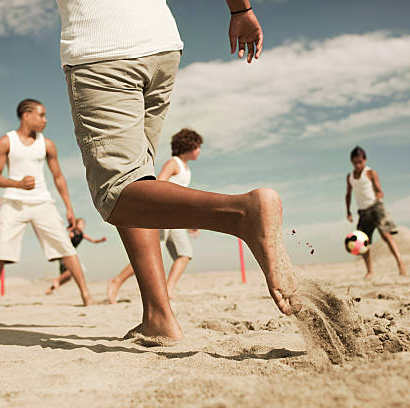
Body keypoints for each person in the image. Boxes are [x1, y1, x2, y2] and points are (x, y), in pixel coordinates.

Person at [56, 0, 301, 342]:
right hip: (161, 45)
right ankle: (158, 317)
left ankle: (241, 213)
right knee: (139, 180)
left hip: (102, 46)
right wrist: (240, 10)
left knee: (118, 192)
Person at [0, 98, 92, 310]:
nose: (45, 120)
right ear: (27, 115)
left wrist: (69, 208)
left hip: (43, 202)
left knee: (65, 246)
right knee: (0, 247)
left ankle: (86, 296)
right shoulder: (6, 142)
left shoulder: (47, 144)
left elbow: (58, 177)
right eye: (41, 115)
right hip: (14, 202)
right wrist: (17, 183)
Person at [107, 129, 203, 303]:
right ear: (189, 145)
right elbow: (159, 185)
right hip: (162, 215)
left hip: (176, 218)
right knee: (148, 255)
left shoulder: (187, 169)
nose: (199, 150)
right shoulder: (174, 163)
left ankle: (168, 290)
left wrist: (189, 222)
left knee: (185, 254)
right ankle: (116, 281)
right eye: (198, 146)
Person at [345, 146, 406, 279]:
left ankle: (400, 263)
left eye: (360, 162)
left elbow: (378, 188)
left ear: (365, 160)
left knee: (386, 235)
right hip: (363, 212)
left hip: (376, 208)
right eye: (355, 162)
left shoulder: (370, 173)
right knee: (363, 242)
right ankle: (370, 270)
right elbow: (348, 194)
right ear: (351, 162)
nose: (358, 165)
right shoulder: (349, 177)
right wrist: (348, 211)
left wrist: (379, 193)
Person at [46, 217, 107, 295]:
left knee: (68, 277)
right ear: (76, 224)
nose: (83, 226)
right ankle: (56, 280)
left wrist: (101, 240)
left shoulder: (82, 234)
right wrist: (68, 236)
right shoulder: (71, 232)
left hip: (71, 254)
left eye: (84, 224)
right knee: (72, 271)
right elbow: (63, 240)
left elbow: (93, 240)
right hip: (65, 254)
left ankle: (50, 289)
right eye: (81, 224)